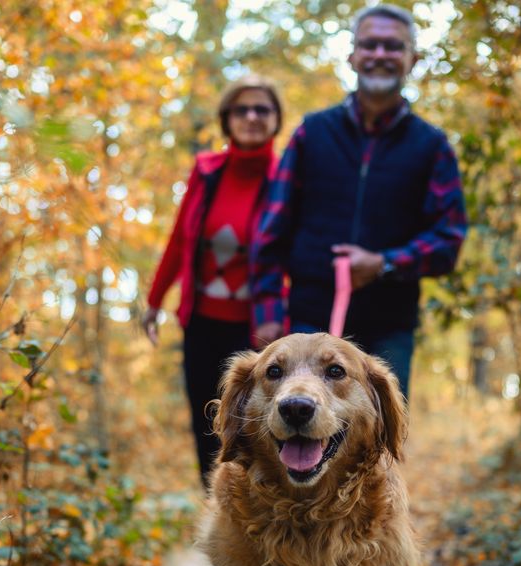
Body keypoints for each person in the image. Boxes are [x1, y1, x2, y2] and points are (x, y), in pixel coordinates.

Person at [250, 4, 467, 397]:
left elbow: (448, 240)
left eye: (392, 46)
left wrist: (384, 263)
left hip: (388, 332)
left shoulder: (431, 146)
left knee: (377, 446)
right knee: (296, 440)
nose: (380, 55)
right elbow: (271, 229)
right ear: (352, 56)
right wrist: (267, 314)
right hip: (305, 326)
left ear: (412, 59)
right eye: (369, 45)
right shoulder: (312, 133)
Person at [142, 75, 282, 486]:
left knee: (257, 428)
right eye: (242, 109)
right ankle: (219, 517)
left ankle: (264, 520)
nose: (252, 117)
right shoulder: (206, 172)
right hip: (201, 323)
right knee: (207, 425)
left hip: (258, 330)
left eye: (263, 109)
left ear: (276, 120)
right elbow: (179, 239)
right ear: (226, 119)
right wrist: (154, 300)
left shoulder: (285, 179)